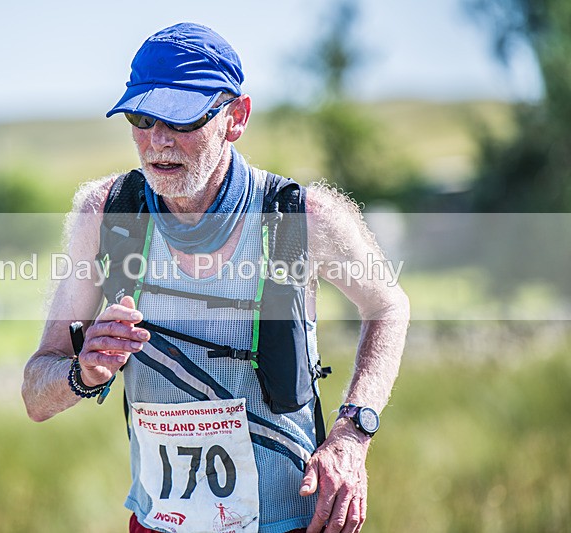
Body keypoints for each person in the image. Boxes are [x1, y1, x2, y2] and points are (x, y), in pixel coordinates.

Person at [21, 22, 409, 533]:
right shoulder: (107, 213)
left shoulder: (301, 216)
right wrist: (83, 373)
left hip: (290, 522)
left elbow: (388, 305)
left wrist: (352, 434)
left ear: (236, 117)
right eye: (142, 117)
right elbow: (36, 395)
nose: (158, 140)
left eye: (182, 119)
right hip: (159, 525)